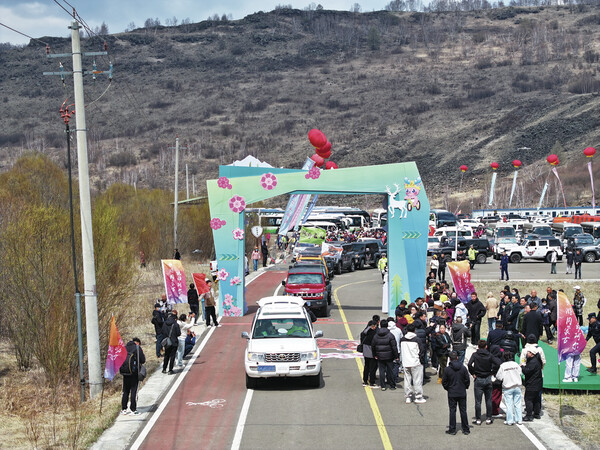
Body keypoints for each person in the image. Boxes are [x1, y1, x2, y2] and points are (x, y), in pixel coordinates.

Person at [468, 340, 497, 425]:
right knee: (488, 400)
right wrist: (492, 372)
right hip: (487, 377)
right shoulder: (490, 355)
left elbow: (469, 364)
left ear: (478, 346)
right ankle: (489, 418)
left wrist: (473, 373)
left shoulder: (475, 355)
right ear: (486, 346)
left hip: (478, 378)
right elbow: (498, 364)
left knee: (478, 401)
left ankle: (478, 419)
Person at [442, 351, 471, 436]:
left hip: (452, 392)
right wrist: (465, 387)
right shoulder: (463, 368)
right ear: (457, 358)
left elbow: (444, 382)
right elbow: (467, 380)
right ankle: (466, 429)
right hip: (462, 392)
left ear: (450, 359)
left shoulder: (447, 369)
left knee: (452, 411)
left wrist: (448, 388)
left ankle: (452, 429)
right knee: (463, 411)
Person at [401, 323, 427, 404]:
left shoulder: (402, 339)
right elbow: (421, 351)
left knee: (407, 380)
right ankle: (418, 396)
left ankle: (408, 396)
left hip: (406, 362)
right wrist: (421, 360)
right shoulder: (417, 339)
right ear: (414, 330)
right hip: (415, 362)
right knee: (417, 380)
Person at [495, 351, 522, 426]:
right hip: (517, 386)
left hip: (508, 387)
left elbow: (499, 377)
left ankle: (510, 420)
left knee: (509, 404)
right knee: (517, 403)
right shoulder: (516, 364)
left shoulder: (503, 366)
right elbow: (520, 373)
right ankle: (519, 419)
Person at [120, 337, 146, 415]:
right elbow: (143, 360)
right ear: (137, 343)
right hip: (134, 373)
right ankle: (133, 410)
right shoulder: (137, 348)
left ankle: (124, 409)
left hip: (125, 372)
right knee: (134, 390)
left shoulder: (124, 348)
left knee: (125, 391)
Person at [371, 319, 399, 391]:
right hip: (389, 356)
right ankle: (392, 385)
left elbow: (373, 346)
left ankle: (383, 386)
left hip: (380, 356)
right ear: (387, 326)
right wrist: (396, 356)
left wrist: (374, 355)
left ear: (380, 325)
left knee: (381, 371)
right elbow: (394, 347)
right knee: (390, 371)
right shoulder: (390, 335)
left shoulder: (376, 335)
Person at [522, 350, 543, 421]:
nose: (527, 354)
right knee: (536, 399)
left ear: (532, 353)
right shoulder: (537, 361)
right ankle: (536, 413)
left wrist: (522, 367)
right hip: (538, 383)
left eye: (528, 352)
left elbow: (526, 371)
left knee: (528, 399)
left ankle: (529, 415)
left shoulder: (533, 362)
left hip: (532, 384)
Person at [162, 310, 181, 374]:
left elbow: (162, 331)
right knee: (172, 356)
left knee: (166, 355)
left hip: (167, 342)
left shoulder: (165, 323)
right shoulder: (175, 324)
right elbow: (178, 333)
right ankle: (170, 370)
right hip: (174, 342)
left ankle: (164, 369)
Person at [360, 320, 378, 387]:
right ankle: (372, 382)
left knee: (366, 366)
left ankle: (365, 381)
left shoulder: (364, 332)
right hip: (371, 352)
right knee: (372, 368)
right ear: (373, 326)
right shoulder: (373, 333)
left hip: (365, 352)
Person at [387, 317, 403, 381]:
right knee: (396, 364)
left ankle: (389, 378)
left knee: (388, 364)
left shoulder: (386, 330)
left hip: (388, 350)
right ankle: (395, 378)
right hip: (397, 349)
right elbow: (401, 338)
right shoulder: (398, 330)